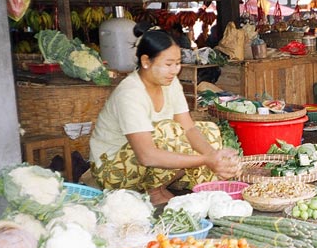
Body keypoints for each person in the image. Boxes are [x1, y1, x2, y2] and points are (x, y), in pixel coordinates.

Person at [89, 24, 241, 206]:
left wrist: (213, 155)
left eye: (177, 64)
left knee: (208, 129)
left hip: (142, 164)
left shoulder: (170, 82)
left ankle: (207, 191)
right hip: (112, 169)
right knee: (166, 131)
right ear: (146, 61)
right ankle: (154, 192)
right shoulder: (130, 93)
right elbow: (147, 155)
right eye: (168, 64)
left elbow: (189, 128)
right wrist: (205, 159)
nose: (175, 70)